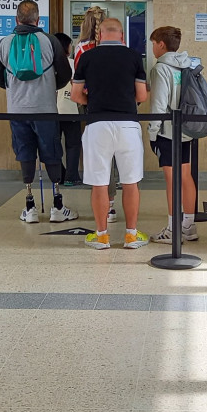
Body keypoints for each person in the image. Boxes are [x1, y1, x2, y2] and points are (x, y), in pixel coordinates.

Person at [0, 0, 78, 223]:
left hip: (17, 110)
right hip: (46, 109)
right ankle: (57, 206)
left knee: (24, 152)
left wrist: (15, 91)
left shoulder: (4, 42)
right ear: (38, 20)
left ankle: (29, 206)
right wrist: (50, 88)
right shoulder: (49, 41)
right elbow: (65, 74)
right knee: (51, 152)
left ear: (16, 19)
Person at [71, 17, 149, 250]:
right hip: (127, 125)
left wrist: (92, 102)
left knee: (99, 183)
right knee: (131, 182)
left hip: (97, 125)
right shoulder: (134, 57)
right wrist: (125, 102)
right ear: (122, 36)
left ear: (100, 35)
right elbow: (142, 96)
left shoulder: (87, 57)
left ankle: (102, 236)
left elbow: (76, 95)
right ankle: (131, 236)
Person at [146, 26, 199, 243]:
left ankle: (172, 229)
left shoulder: (160, 69)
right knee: (185, 176)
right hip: (186, 129)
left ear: (161, 44)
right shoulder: (186, 65)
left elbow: (158, 104)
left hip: (167, 132)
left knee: (171, 179)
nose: (152, 49)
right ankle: (188, 225)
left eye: (153, 44)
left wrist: (152, 132)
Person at [74, 5, 118, 222]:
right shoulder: (118, 47)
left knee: (98, 154)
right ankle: (112, 203)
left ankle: (102, 203)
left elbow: (77, 83)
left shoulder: (81, 48)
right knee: (116, 155)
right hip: (118, 105)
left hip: (92, 105)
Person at [54, 32, 82, 186]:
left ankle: (59, 175)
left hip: (52, 111)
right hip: (71, 109)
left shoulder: (48, 64)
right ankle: (72, 176)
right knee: (73, 144)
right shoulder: (73, 63)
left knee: (53, 144)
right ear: (66, 47)